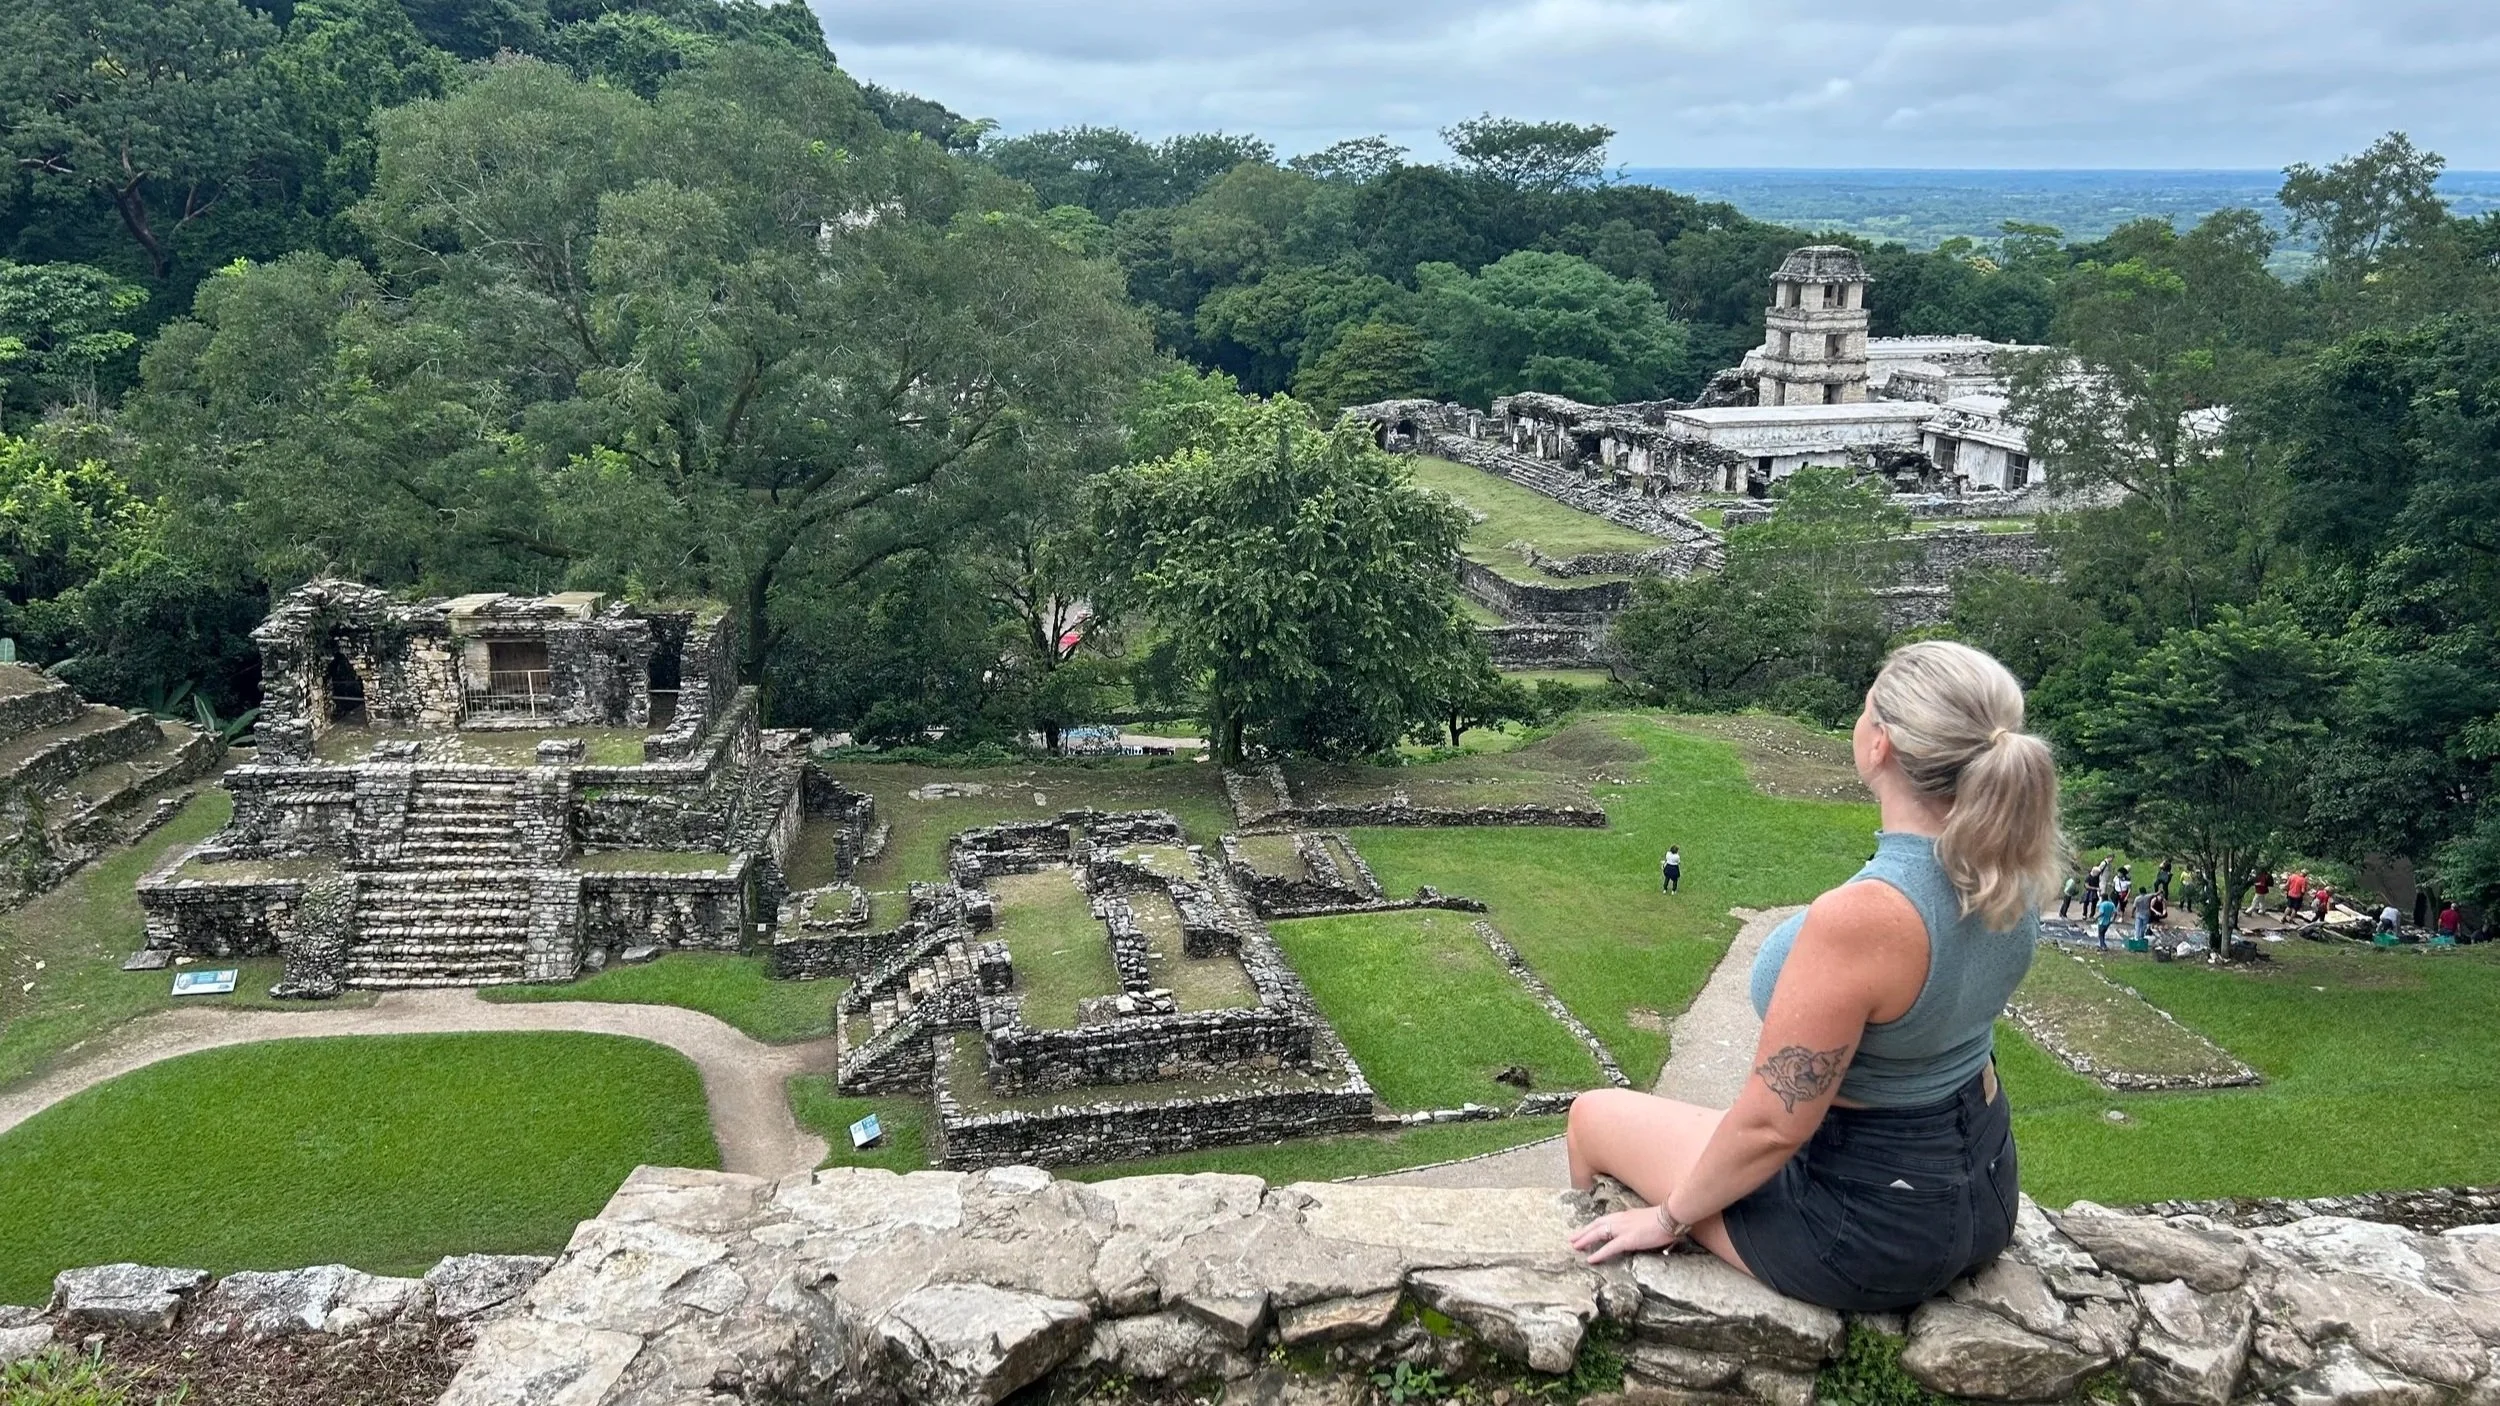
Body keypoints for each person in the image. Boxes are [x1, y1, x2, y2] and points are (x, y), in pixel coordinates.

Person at [1565, 641, 2060, 1313]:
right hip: (1986, 1189)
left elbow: (1774, 1125)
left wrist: (1666, 1219)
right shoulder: (2011, 865)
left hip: (1867, 1232)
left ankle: (1584, 1292)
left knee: (1592, 1116)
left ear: (1879, 743)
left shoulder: (1870, 915)